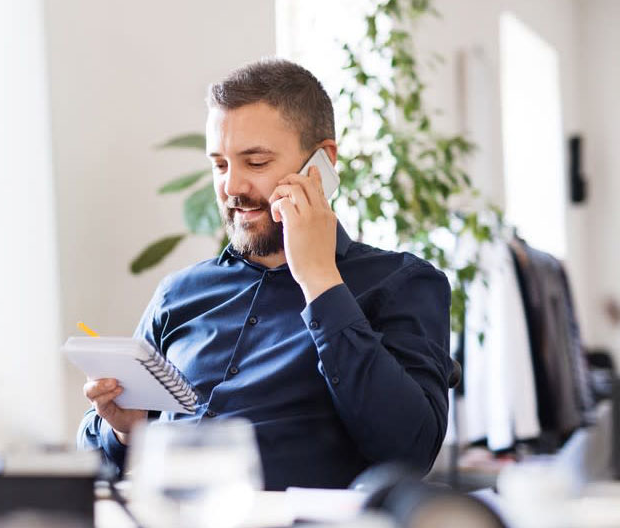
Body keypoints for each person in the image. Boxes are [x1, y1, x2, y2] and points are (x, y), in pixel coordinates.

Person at [77, 58, 452, 490]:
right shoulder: (177, 294)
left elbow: (410, 450)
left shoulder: (401, 283)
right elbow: (90, 466)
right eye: (220, 165)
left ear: (322, 163)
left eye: (255, 162)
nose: (232, 187)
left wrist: (319, 281)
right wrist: (125, 430)